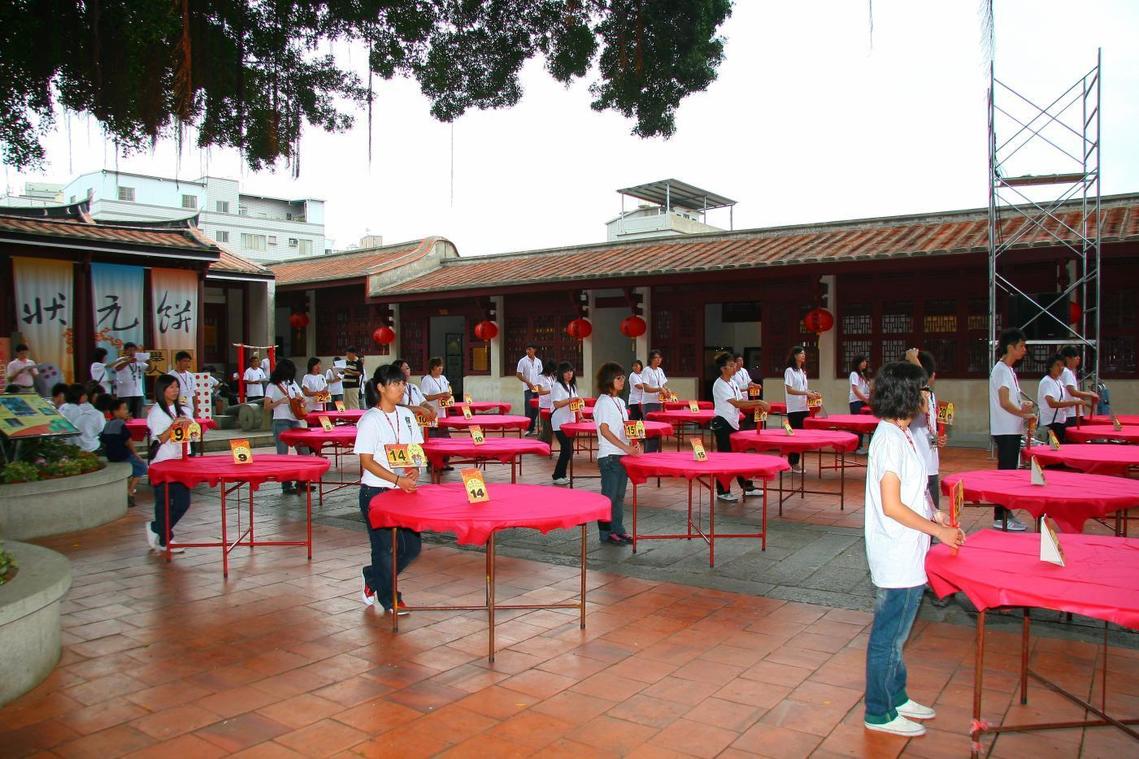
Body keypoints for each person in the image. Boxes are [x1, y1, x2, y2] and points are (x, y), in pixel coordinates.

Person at [862, 361, 965, 737]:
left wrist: (934, 512)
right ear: (906, 395)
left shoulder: (903, 432)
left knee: (898, 634)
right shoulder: (890, 439)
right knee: (889, 636)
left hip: (909, 547)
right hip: (896, 551)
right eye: (921, 390)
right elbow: (892, 505)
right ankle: (878, 711)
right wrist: (939, 533)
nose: (926, 396)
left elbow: (914, 489)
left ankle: (897, 695)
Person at [355, 363, 423, 615]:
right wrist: (396, 480)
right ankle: (390, 599)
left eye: (403, 383)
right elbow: (366, 461)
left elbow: (415, 449)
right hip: (375, 492)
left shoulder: (407, 416)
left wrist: (414, 468)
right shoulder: (370, 420)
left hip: (402, 492)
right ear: (381, 388)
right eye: (395, 384)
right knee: (383, 548)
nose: (401, 388)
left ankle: (372, 577)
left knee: (411, 548)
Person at [989, 328, 1035, 531]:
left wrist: (1022, 407)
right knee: (1006, 473)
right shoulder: (1001, 370)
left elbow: (1011, 401)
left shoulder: (1008, 370)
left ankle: (1006, 512)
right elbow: (1004, 402)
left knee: (1009, 472)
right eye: (1021, 346)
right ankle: (1001, 515)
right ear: (1010, 347)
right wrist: (1024, 414)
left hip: (1011, 429)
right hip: (1005, 430)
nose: (1024, 350)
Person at [711, 352, 771, 502]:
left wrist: (756, 406)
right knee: (725, 458)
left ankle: (747, 486)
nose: (734, 367)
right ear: (723, 368)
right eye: (731, 365)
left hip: (733, 422)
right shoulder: (719, 384)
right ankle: (722, 491)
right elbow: (737, 403)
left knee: (739, 457)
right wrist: (758, 402)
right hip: (723, 423)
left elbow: (741, 402)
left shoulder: (732, 383)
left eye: (734, 365)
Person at [145, 374, 194, 554]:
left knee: (183, 502)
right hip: (163, 462)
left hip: (181, 460)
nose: (175, 390)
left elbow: (192, 433)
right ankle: (165, 539)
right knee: (163, 501)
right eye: (171, 387)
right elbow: (161, 438)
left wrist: (189, 425)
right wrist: (174, 424)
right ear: (162, 390)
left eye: (176, 387)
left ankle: (156, 528)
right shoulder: (157, 412)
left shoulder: (184, 409)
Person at [594, 362, 640, 545]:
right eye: (618, 378)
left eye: (623, 377)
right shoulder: (603, 402)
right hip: (609, 456)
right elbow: (605, 431)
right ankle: (606, 533)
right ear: (608, 380)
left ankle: (618, 529)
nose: (622, 381)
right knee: (609, 496)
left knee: (619, 496)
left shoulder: (620, 402)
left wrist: (634, 444)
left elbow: (625, 429)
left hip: (622, 454)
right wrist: (626, 448)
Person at [264, 359, 312, 494]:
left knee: (304, 450)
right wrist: (280, 401)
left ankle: (302, 481)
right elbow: (266, 407)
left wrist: (301, 400)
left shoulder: (293, 383)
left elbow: (303, 400)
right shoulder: (272, 386)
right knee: (283, 454)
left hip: (295, 419)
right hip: (280, 421)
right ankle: (286, 484)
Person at [905, 350, 945, 508]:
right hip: (917, 463)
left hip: (931, 463)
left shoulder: (931, 396)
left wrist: (936, 440)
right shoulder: (913, 397)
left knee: (933, 510)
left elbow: (929, 428)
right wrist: (913, 358)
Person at [100, 397, 146, 507]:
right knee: (142, 467)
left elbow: (103, 439)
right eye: (124, 409)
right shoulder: (121, 424)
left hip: (111, 455)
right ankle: (130, 491)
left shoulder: (108, 424)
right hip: (122, 455)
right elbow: (128, 441)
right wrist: (136, 454)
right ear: (116, 411)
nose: (126, 411)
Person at [783, 345, 820, 467]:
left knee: (801, 435)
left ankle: (795, 461)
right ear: (795, 356)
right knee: (794, 435)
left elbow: (803, 389)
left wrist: (812, 393)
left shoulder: (802, 372)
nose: (803, 355)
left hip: (804, 407)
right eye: (801, 353)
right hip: (794, 408)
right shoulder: (789, 371)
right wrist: (806, 393)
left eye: (804, 353)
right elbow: (789, 390)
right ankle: (793, 462)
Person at [550, 361, 583, 485]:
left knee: (568, 449)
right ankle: (557, 475)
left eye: (571, 371)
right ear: (561, 373)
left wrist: (581, 416)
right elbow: (556, 404)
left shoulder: (572, 386)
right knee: (567, 449)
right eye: (566, 372)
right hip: (559, 422)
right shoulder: (557, 386)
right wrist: (570, 399)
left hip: (570, 422)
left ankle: (561, 474)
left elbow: (576, 403)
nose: (569, 374)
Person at [1038, 354, 1083, 444]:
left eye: (1062, 365)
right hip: (1050, 423)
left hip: (1060, 421)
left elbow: (1061, 401)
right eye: (1057, 365)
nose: (1061, 368)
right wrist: (1072, 402)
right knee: (1052, 448)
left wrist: (1071, 404)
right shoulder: (1046, 381)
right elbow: (1052, 403)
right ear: (1050, 367)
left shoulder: (1059, 382)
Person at [1058, 345, 1098, 429]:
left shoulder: (1068, 372)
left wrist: (1087, 403)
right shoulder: (1066, 372)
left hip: (1071, 412)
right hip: (1070, 413)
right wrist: (1090, 394)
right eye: (1076, 356)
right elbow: (1072, 392)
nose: (1078, 358)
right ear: (1068, 359)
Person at [637, 350, 668, 453]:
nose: (658, 360)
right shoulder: (647, 370)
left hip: (658, 402)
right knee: (650, 429)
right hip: (649, 403)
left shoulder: (660, 370)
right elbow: (646, 388)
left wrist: (667, 391)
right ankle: (649, 452)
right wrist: (659, 389)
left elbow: (663, 385)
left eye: (660, 358)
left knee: (657, 428)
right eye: (656, 358)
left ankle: (656, 452)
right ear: (651, 359)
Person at [59, 383, 104, 453]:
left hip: (62, 441)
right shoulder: (77, 410)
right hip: (71, 444)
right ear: (79, 396)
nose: (86, 396)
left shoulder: (63, 406)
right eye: (84, 394)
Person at [112, 343, 149, 419]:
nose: (132, 352)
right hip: (124, 394)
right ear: (125, 351)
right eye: (130, 350)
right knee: (124, 415)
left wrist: (148, 360)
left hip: (138, 393)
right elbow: (117, 368)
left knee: (137, 416)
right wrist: (128, 361)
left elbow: (149, 369)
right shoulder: (120, 360)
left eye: (134, 350)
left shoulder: (138, 361)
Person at [516, 344, 543, 436]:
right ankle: (528, 428)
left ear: (534, 350)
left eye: (530, 349)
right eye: (527, 349)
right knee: (528, 407)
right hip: (528, 387)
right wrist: (528, 382)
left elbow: (541, 375)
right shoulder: (522, 361)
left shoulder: (538, 361)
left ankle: (532, 427)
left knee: (535, 408)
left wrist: (540, 385)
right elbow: (518, 374)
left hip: (536, 387)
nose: (528, 351)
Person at [419, 357, 453, 430]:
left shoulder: (443, 378)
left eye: (441, 366)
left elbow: (448, 391)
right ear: (432, 368)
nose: (440, 368)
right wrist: (441, 395)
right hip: (432, 414)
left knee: (443, 434)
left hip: (442, 414)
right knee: (433, 434)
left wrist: (448, 396)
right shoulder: (427, 379)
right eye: (437, 366)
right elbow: (424, 397)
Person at [848, 355, 872, 453]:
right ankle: (855, 447)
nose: (865, 363)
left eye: (865, 361)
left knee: (863, 425)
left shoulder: (863, 374)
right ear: (857, 363)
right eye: (862, 361)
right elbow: (855, 389)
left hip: (863, 401)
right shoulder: (854, 374)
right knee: (857, 425)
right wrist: (865, 399)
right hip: (856, 401)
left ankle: (860, 445)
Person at [535, 360, 556, 445]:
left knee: (550, 428)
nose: (553, 373)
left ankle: (541, 443)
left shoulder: (551, 377)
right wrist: (551, 391)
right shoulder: (540, 377)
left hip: (552, 405)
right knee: (546, 429)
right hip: (544, 406)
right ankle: (543, 444)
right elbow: (540, 392)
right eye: (552, 371)